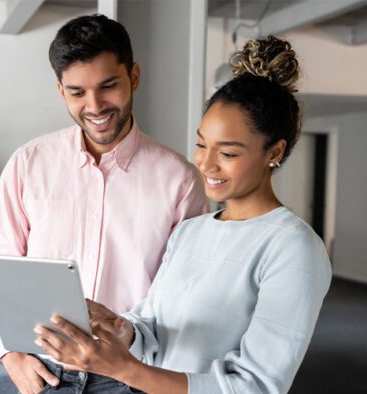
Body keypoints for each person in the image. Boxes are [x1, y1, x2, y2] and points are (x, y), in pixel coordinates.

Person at [33, 36, 333, 394]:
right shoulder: (190, 231)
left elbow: (256, 386)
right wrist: (120, 328)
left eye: (229, 153)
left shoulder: (292, 247)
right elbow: (154, 327)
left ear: (274, 151)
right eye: (202, 144)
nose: (205, 163)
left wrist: (125, 370)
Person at [0, 14, 207, 393]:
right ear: (60, 90)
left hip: (131, 377)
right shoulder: (28, 163)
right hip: (43, 371)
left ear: (134, 76)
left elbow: (184, 291)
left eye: (108, 86)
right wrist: (10, 354)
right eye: (77, 92)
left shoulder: (179, 179)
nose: (95, 105)